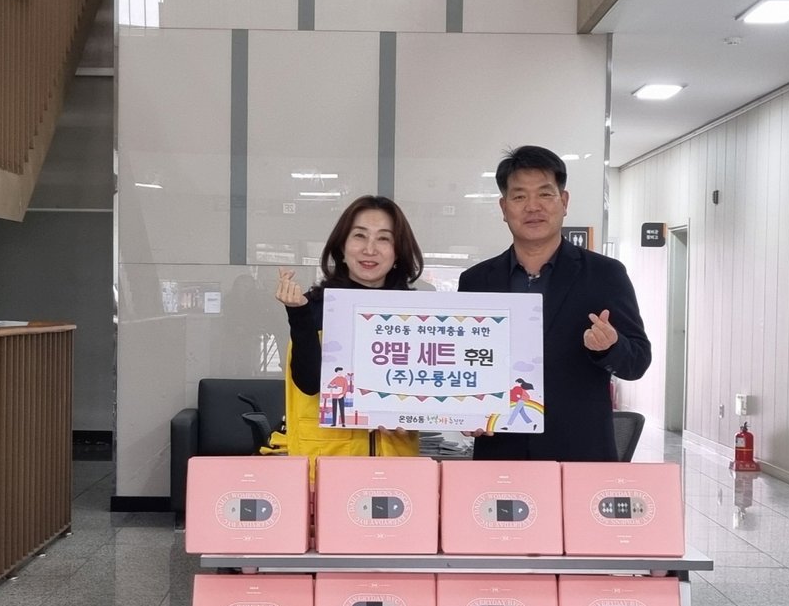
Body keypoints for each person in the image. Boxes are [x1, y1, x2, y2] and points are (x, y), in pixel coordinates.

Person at [457, 145, 651, 461]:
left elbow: (637, 362)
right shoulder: (476, 281)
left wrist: (609, 347)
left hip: (580, 454)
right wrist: (465, 410)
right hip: (501, 454)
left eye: (545, 194)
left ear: (564, 201)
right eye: (519, 196)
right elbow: (464, 364)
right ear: (504, 208)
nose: (533, 206)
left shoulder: (605, 274)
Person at [275, 194, 424, 465]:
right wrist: (299, 315)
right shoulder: (314, 308)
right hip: (328, 464)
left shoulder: (417, 315)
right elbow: (309, 383)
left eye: (384, 238)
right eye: (359, 236)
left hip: (396, 465)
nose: (370, 249)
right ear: (341, 247)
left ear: (398, 252)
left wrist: (416, 415)